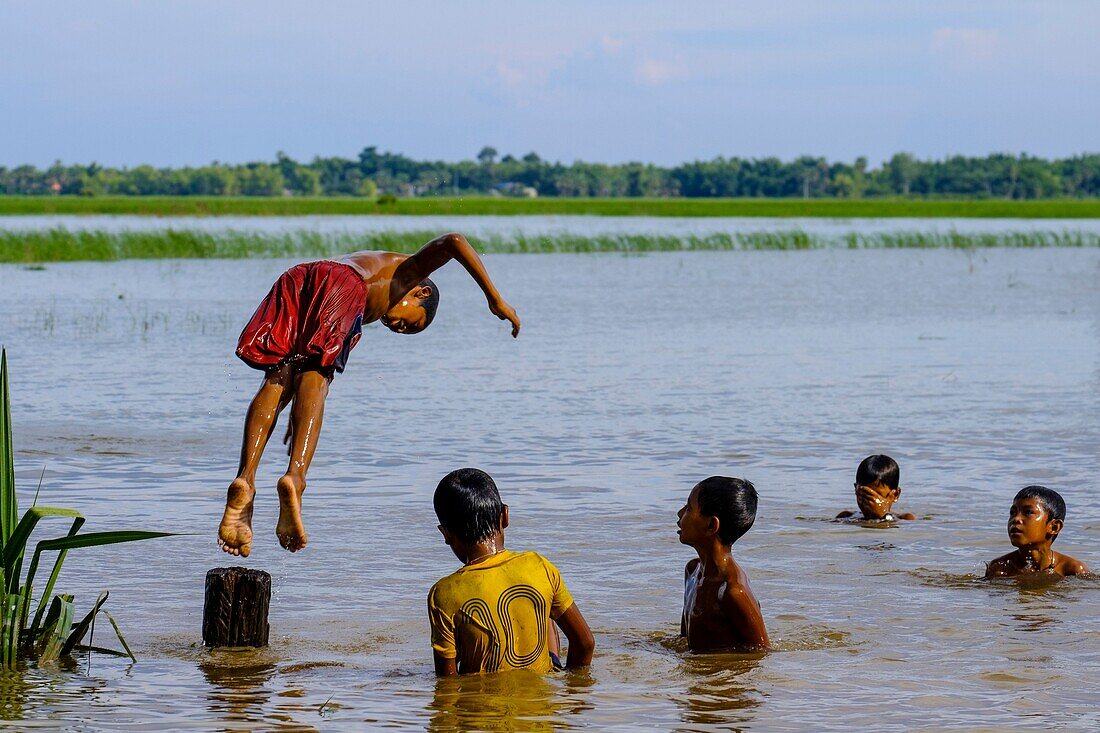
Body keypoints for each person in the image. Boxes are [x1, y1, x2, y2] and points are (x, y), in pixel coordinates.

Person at [217, 233, 521, 557]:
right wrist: (494, 298)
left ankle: (245, 482)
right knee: (316, 376)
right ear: (422, 291)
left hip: (297, 278)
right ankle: (296, 479)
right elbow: (453, 242)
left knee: (277, 378)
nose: (399, 329)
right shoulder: (409, 273)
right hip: (340, 282)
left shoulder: (361, 269)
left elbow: (304, 387)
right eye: (411, 325)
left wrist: (297, 417)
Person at [427, 468, 595, 675]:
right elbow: (585, 643)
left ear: (445, 533)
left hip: (482, 704)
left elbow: (446, 683)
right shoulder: (539, 566)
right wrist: (572, 692)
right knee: (546, 607)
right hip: (541, 704)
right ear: (505, 515)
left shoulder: (443, 593)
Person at [677, 476, 769, 652]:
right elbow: (684, 642)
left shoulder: (733, 592)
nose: (680, 513)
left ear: (711, 525)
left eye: (688, 508)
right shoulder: (692, 570)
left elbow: (762, 652)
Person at [985, 486, 1089, 578]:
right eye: (1013, 512)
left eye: (1028, 512)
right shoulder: (1000, 569)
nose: (1016, 519)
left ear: (1054, 527)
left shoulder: (1071, 570)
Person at [836, 454, 915, 522]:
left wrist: (883, 515)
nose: (871, 501)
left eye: (877, 495)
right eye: (865, 494)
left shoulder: (906, 518)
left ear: (895, 495)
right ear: (856, 490)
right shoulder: (846, 517)